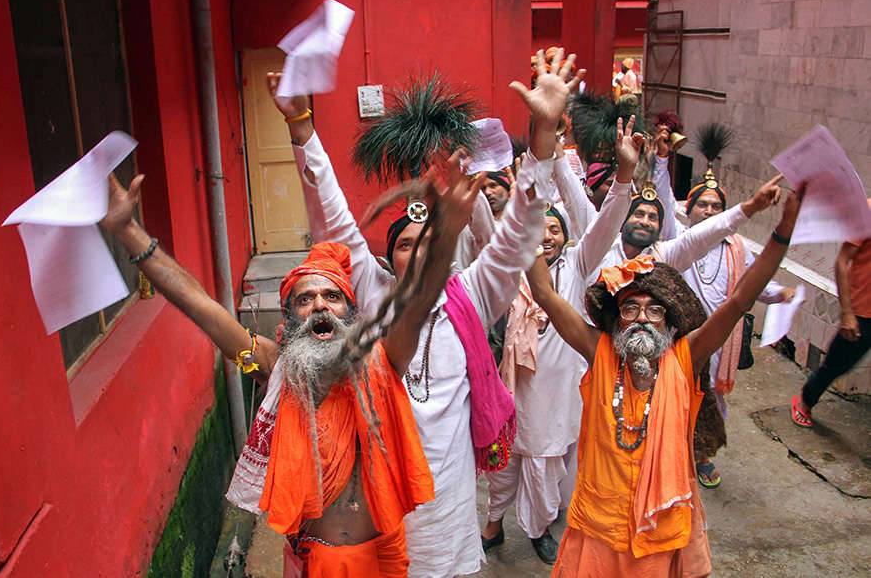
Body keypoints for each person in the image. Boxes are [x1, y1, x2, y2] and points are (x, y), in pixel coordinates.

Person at [265, 48, 584, 577]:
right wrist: (302, 128)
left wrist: (545, 135)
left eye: (426, 240)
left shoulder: (474, 292)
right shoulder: (371, 298)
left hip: (450, 501)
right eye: (405, 243)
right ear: (390, 256)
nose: (416, 250)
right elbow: (334, 222)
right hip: (380, 501)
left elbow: (520, 231)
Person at [100, 152, 482, 576]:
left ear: (350, 314)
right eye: (305, 299)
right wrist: (131, 233)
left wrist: (447, 234)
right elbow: (201, 305)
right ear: (291, 319)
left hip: (388, 548)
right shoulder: (276, 367)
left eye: (332, 296)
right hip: (321, 560)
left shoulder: (383, 358)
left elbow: (418, 302)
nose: (320, 303)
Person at [526, 183, 805, 576]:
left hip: (659, 535)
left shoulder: (685, 357)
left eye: (655, 310)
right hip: (598, 529)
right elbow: (544, 293)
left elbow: (740, 299)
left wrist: (784, 229)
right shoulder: (601, 352)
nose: (642, 317)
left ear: (670, 324)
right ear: (615, 320)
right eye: (631, 308)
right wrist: (530, 209)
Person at [482, 115, 641, 564]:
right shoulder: (507, 271)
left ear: (566, 239)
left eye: (556, 230)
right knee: (502, 467)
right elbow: (487, 230)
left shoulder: (577, 268)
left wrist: (624, 176)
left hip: (558, 399)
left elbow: (606, 225)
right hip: (509, 393)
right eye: (541, 230)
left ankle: (537, 530)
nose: (548, 236)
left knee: (545, 466)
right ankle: (493, 526)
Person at [653, 160, 796, 488]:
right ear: (688, 210)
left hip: (717, 341)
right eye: (702, 204)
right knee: (671, 395)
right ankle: (667, 453)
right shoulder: (679, 239)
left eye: (716, 206)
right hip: (679, 337)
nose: (708, 210)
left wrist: (780, 294)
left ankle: (702, 455)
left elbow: (753, 282)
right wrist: (662, 160)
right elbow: (662, 194)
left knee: (710, 398)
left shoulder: (737, 248)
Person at [792, 199, 871, 428]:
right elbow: (842, 261)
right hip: (862, 311)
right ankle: (806, 400)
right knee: (838, 364)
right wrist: (848, 313)